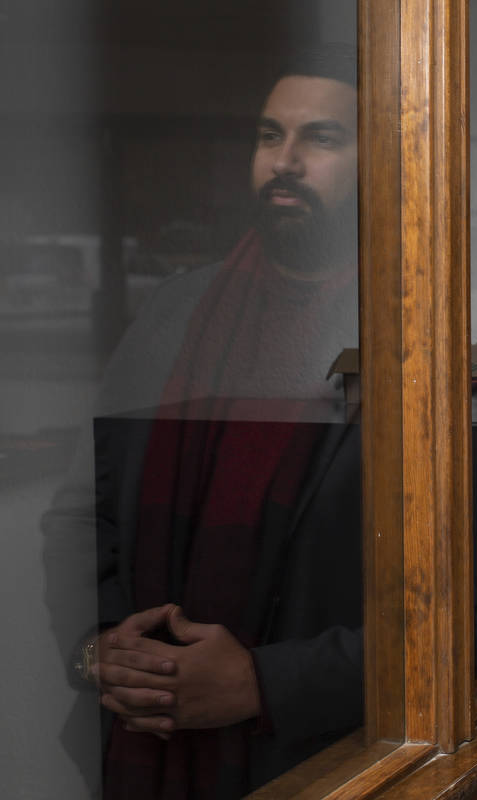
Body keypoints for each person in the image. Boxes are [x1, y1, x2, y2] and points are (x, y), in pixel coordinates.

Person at [43, 45, 362, 798]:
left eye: (320, 139)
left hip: (329, 759)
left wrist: (262, 682)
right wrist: (101, 650)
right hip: (145, 748)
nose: (284, 161)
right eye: (267, 136)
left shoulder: (419, 329)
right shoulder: (174, 313)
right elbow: (80, 513)